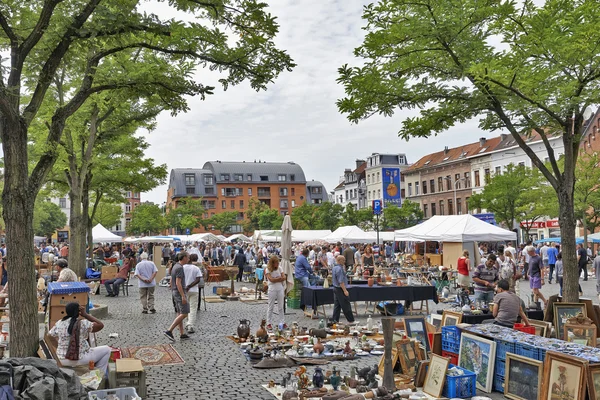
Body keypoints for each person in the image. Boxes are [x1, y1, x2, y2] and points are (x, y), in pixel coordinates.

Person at [49, 303, 111, 374]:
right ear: (79, 311)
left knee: (90, 350)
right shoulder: (83, 323)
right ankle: (100, 374)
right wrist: (85, 315)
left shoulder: (59, 323)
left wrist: (59, 347)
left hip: (61, 359)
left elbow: (49, 335)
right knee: (107, 349)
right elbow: (100, 325)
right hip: (79, 359)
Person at [164, 252, 190, 341]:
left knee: (179, 313)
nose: (189, 259)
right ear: (184, 258)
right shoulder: (179, 268)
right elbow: (178, 282)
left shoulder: (175, 266)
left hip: (175, 291)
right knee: (184, 313)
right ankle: (169, 330)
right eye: (188, 257)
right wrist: (183, 296)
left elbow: (172, 280)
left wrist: (172, 289)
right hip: (179, 292)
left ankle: (182, 333)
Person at [331, 255, 355, 324]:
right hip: (340, 288)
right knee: (346, 304)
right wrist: (345, 290)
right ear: (339, 260)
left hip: (335, 288)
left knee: (337, 306)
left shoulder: (335, 268)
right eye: (343, 260)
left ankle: (335, 320)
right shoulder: (339, 269)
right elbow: (340, 281)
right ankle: (351, 320)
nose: (344, 261)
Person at [265, 256, 286, 330]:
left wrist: (276, 279)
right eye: (276, 263)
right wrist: (278, 279)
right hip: (272, 289)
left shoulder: (280, 268)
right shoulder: (268, 269)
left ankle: (282, 322)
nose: (278, 264)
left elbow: (284, 277)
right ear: (273, 263)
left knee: (281, 306)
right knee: (271, 306)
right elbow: (271, 279)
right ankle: (268, 323)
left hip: (280, 288)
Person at [183, 254, 202, 333]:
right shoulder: (196, 268)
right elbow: (198, 279)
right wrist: (190, 286)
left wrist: (186, 286)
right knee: (193, 308)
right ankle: (190, 324)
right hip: (194, 290)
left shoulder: (182, 268)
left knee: (185, 308)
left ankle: (187, 323)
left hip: (184, 290)